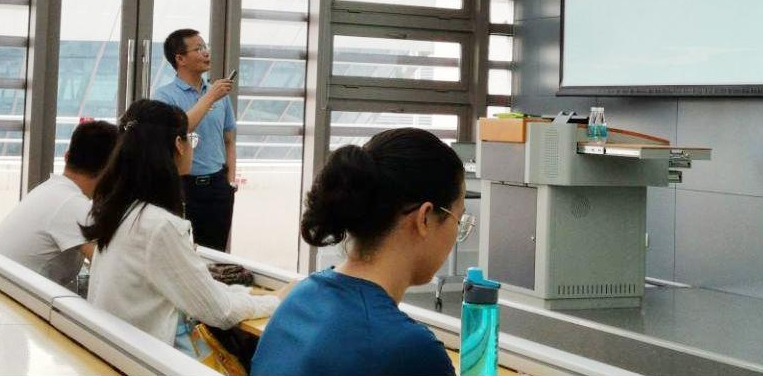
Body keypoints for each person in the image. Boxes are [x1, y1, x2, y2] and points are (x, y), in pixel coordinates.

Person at [251, 128, 474, 376]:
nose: (457, 232)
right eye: (458, 219)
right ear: (424, 218)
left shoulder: (299, 298)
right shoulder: (411, 350)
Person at [81, 99, 280, 348]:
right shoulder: (159, 226)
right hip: (150, 356)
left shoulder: (122, 211)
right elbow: (219, 311)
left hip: (120, 350)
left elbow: (200, 290)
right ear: (178, 144)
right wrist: (277, 301)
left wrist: (246, 294)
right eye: (191, 139)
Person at [0, 120, 117, 288]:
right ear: (110, 171)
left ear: (67, 156)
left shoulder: (51, 190)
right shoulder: (73, 205)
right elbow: (111, 270)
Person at [153, 28, 237, 251]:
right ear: (180, 59)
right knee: (180, 250)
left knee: (216, 254)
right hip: (182, 186)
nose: (206, 53)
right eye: (198, 49)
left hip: (218, 186)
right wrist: (210, 97)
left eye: (205, 47)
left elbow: (229, 140)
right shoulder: (164, 96)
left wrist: (230, 182)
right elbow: (179, 129)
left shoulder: (218, 94)